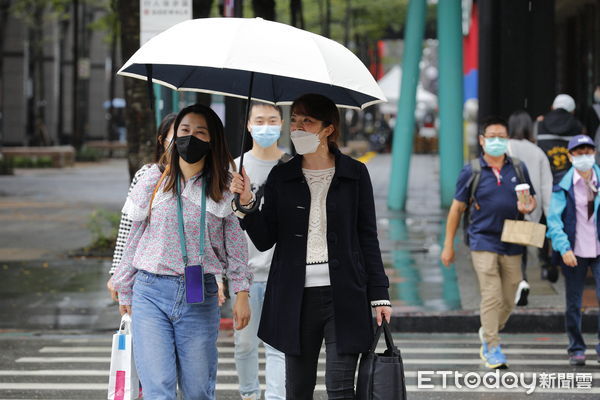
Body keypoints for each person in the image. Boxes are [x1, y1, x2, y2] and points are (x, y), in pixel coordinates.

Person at [230, 93, 392, 399]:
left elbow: (367, 236)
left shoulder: (355, 174)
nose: (297, 128)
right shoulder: (283, 176)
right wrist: (247, 203)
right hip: (295, 296)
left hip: (344, 294)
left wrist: (380, 294)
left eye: (307, 121)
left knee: (340, 387)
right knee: (299, 390)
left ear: (328, 129)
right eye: (294, 120)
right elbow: (265, 238)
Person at [111, 104, 252, 400]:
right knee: (157, 390)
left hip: (199, 296)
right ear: (173, 138)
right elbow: (134, 237)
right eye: (185, 131)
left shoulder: (225, 186)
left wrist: (241, 293)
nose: (191, 137)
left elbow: (236, 246)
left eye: (201, 132)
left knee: (198, 390)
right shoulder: (154, 179)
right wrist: (124, 287)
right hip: (150, 292)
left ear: (213, 139)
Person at [441, 116, 537, 369]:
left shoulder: (518, 167)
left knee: (509, 295)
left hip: (513, 238)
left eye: (501, 137)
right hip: (482, 239)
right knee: (492, 294)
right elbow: (456, 209)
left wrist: (528, 205)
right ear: (482, 141)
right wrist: (448, 244)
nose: (497, 141)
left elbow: (531, 202)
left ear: (508, 140)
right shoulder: (471, 170)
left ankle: (488, 330)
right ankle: (492, 346)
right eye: (492, 137)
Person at [107, 113, 227, 306]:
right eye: (181, 133)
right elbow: (129, 229)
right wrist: (118, 274)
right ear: (163, 141)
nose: (187, 141)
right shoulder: (148, 175)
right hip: (148, 280)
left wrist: (218, 280)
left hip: (196, 281)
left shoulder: (209, 180)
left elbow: (210, 234)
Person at [230, 102, 287, 400]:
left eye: (272, 120)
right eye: (260, 120)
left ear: (281, 124)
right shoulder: (234, 168)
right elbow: (225, 223)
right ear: (249, 125)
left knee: (278, 346)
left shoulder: (292, 166)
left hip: (282, 273)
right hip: (245, 275)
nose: (266, 126)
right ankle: (249, 394)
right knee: (245, 344)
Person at [546, 134, 600, 366]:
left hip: (598, 249)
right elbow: (554, 220)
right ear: (570, 156)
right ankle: (576, 347)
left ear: (595, 154)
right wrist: (563, 247)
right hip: (574, 251)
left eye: (588, 153)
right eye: (579, 154)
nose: (584, 157)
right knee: (573, 302)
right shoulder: (563, 184)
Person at [507, 110, 553, 304]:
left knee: (511, 250)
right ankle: (530, 275)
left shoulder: (506, 147)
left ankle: (520, 282)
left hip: (509, 206)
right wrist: (549, 215)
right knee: (524, 247)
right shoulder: (538, 151)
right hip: (532, 206)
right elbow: (546, 185)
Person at [537, 94, 586, 185]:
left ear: (552, 107)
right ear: (572, 111)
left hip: (544, 177)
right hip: (570, 179)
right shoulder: (578, 126)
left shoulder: (540, 124)